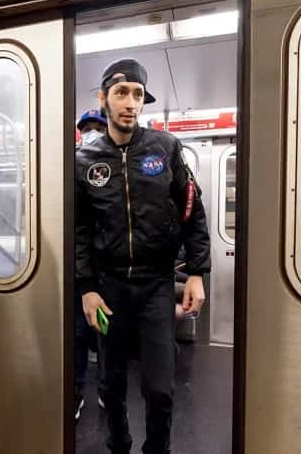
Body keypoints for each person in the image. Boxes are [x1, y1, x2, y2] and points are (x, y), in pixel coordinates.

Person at [75, 58, 211, 453]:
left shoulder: (165, 148)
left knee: (160, 388)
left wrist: (198, 271)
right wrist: (86, 287)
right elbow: (80, 231)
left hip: (156, 285)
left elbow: (192, 211)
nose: (131, 103)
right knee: (111, 386)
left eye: (138, 95)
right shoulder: (84, 160)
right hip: (108, 287)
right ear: (103, 99)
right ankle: (120, 446)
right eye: (121, 93)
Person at [74, 109, 109, 421]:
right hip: (80, 267)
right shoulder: (72, 164)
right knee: (77, 336)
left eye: (98, 127)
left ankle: (106, 392)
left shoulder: (115, 164)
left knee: (107, 334)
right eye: (87, 128)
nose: (92, 132)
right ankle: (76, 391)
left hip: (109, 267)